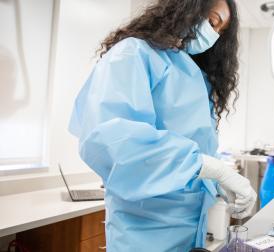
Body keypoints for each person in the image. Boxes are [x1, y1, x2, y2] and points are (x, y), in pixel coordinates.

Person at [68, 0, 256, 251]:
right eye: (212, 22)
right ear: (187, 8)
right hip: (144, 231)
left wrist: (216, 183)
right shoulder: (133, 54)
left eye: (220, 31)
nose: (213, 35)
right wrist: (214, 169)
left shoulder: (194, 74)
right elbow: (117, 142)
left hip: (190, 228)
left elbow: (198, 149)